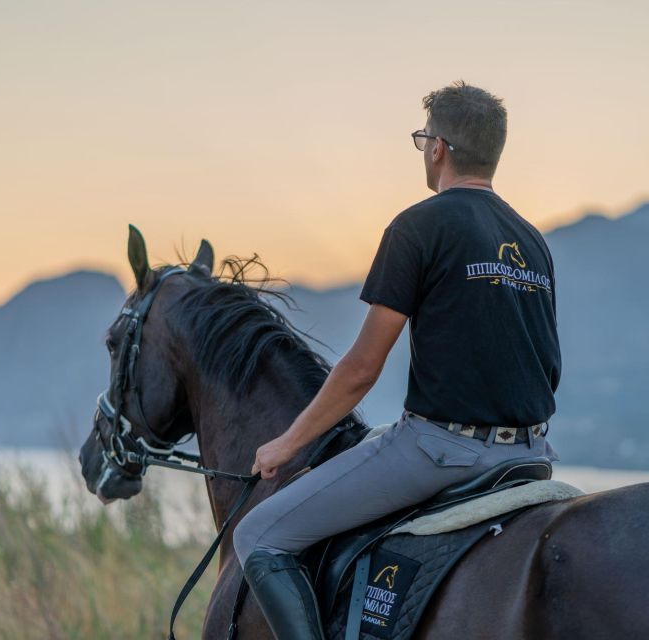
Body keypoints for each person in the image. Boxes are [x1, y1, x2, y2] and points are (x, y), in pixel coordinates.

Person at [233, 81, 562, 640]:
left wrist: (287, 445)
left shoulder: (419, 225)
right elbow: (546, 364)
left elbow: (362, 368)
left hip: (440, 451)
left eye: (423, 139)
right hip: (531, 453)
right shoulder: (531, 241)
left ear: (438, 148)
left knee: (258, 536)